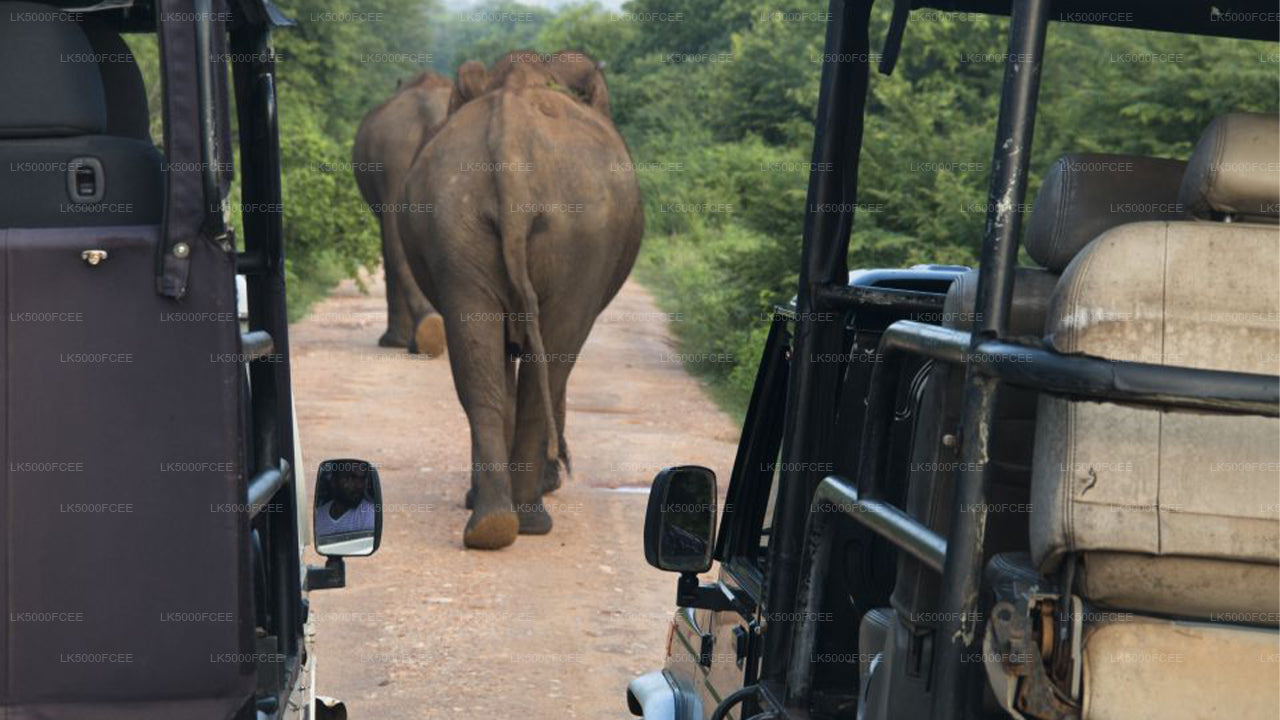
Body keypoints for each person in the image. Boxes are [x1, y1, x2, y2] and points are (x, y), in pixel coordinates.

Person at [315, 464, 375, 538]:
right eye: (351, 478)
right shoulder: (318, 515)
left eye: (362, 479)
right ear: (333, 481)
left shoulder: (369, 514)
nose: (359, 486)